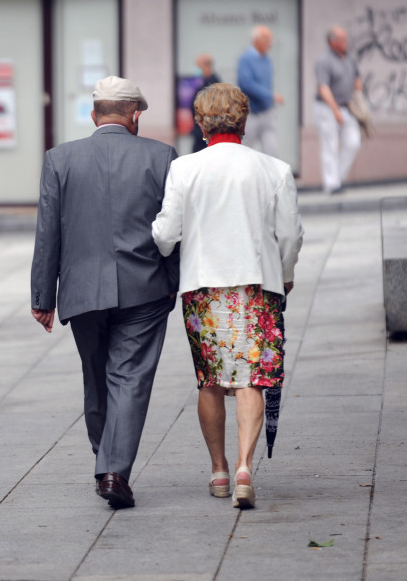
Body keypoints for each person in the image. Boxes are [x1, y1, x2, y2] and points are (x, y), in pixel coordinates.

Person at [152, 83, 302, 509]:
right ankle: (244, 468)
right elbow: (290, 235)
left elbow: (166, 235)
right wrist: (285, 275)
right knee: (253, 378)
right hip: (257, 287)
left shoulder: (184, 169)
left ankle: (218, 469)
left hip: (202, 288)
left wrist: (159, 242)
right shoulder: (274, 169)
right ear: (244, 119)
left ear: (201, 123)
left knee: (212, 380)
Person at [31, 76, 179, 509]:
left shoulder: (60, 159)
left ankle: (107, 460)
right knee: (129, 378)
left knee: (97, 377)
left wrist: (43, 296)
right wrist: (175, 282)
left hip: (82, 290)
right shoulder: (161, 156)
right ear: (135, 115)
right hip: (145, 287)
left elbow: (47, 232)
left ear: (95, 115)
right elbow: (174, 228)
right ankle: (113, 468)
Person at [314, 26, 362, 194]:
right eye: (342, 40)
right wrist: (335, 110)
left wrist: (358, 99)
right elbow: (323, 87)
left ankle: (338, 178)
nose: (345, 43)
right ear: (332, 42)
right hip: (327, 108)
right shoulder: (324, 61)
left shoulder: (348, 59)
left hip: (346, 107)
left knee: (353, 142)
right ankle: (331, 184)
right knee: (330, 145)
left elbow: (357, 79)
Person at [237, 25, 284, 158]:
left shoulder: (267, 59)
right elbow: (247, 83)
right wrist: (270, 95)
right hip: (250, 114)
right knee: (245, 151)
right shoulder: (246, 59)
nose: (271, 42)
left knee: (272, 152)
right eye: (267, 38)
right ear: (256, 40)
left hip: (267, 112)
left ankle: (272, 179)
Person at [191, 54, 222, 153]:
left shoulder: (214, 85)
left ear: (206, 66)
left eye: (198, 67)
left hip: (206, 132)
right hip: (200, 131)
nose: (197, 70)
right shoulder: (203, 83)